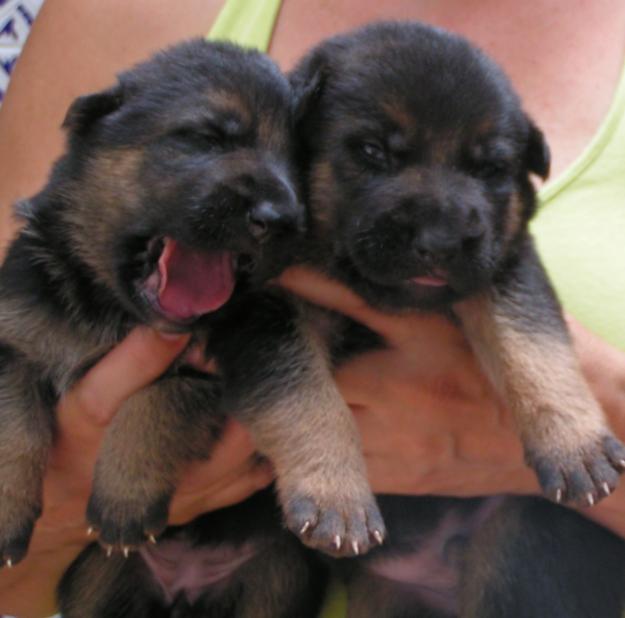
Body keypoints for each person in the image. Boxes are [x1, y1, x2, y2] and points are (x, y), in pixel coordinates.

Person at [0, 0, 624, 616]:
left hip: (516, 546)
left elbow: (511, 280)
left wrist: (556, 425)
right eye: (375, 155)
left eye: (487, 167)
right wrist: (59, 513)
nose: (438, 226)